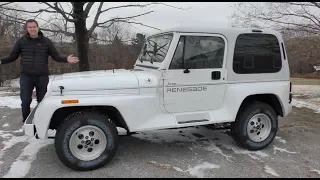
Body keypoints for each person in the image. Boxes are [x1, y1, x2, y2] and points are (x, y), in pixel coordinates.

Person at [0, 19, 79, 123]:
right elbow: (12, 56)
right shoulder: (21, 41)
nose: (32, 29)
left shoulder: (46, 42)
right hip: (26, 76)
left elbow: (56, 56)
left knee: (42, 101)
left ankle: (41, 122)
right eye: (30, 27)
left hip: (42, 76)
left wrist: (66, 59)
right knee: (25, 100)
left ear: (38, 27)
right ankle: (26, 122)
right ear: (26, 29)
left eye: (34, 26)